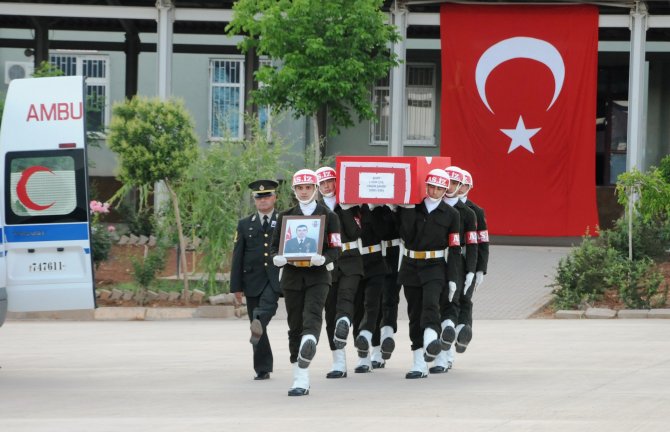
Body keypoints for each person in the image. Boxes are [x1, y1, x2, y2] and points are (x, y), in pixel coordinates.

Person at [271, 169, 341, 396]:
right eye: (299, 188)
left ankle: (309, 344)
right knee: (295, 325)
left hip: (318, 276)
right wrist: (277, 258)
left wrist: (325, 258)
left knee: (312, 315)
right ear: (294, 190)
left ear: (316, 189)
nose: (304, 192)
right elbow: (274, 247)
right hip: (292, 277)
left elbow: (336, 248)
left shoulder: (329, 216)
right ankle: (299, 377)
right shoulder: (284, 216)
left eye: (308, 187)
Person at [397, 169, 461, 379]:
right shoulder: (412, 208)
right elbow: (405, 235)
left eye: (439, 188)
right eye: (431, 186)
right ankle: (418, 363)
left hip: (435, 266)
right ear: (426, 186)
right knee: (414, 313)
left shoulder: (452, 215)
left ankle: (431, 344)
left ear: (445, 190)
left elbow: (454, 248)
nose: (434, 191)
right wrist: (405, 209)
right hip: (411, 264)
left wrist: (453, 277)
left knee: (431, 305)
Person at [230, 179, 282, 381]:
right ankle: (262, 368)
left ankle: (259, 320)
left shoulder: (285, 219)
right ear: (254, 200)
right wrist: (236, 287)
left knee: (262, 313)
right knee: (257, 327)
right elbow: (238, 256)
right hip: (251, 280)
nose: (263, 200)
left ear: (274, 197)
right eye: (259, 197)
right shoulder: (244, 224)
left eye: (267, 196)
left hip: (275, 278)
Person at [316, 166, 363, 379]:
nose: (327, 186)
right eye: (322, 183)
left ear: (337, 182)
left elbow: (354, 232)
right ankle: (339, 362)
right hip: (327, 263)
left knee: (347, 297)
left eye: (330, 181)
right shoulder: (314, 209)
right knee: (330, 311)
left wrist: (344, 208)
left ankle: (345, 322)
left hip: (351, 259)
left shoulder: (351, 204)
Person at [430, 167, 478, 374]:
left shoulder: (469, 212)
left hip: (457, 263)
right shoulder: (433, 208)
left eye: (455, 184)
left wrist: (476, 270)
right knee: (438, 307)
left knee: (453, 304)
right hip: (434, 263)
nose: (451, 187)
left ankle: (446, 355)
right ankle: (444, 353)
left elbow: (476, 244)